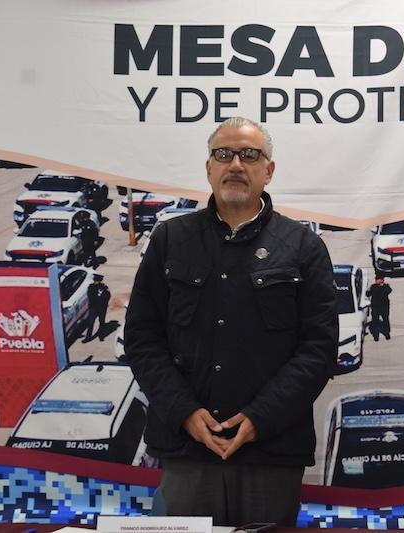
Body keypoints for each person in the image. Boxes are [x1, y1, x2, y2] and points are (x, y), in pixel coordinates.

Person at [124, 117, 338, 526]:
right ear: (209, 168)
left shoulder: (303, 247)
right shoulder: (170, 240)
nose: (236, 164)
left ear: (268, 171)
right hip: (187, 452)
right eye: (224, 154)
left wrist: (260, 417)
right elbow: (142, 339)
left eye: (249, 155)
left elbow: (319, 349)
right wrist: (185, 412)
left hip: (271, 453)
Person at [83, 274, 110, 342]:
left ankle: (101, 336)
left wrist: (104, 303)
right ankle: (88, 337)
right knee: (91, 322)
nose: (95, 282)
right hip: (93, 307)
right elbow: (89, 296)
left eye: (97, 280)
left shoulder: (104, 287)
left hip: (102, 308)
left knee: (102, 322)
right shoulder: (91, 287)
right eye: (95, 280)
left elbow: (108, 296)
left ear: (100, 281)